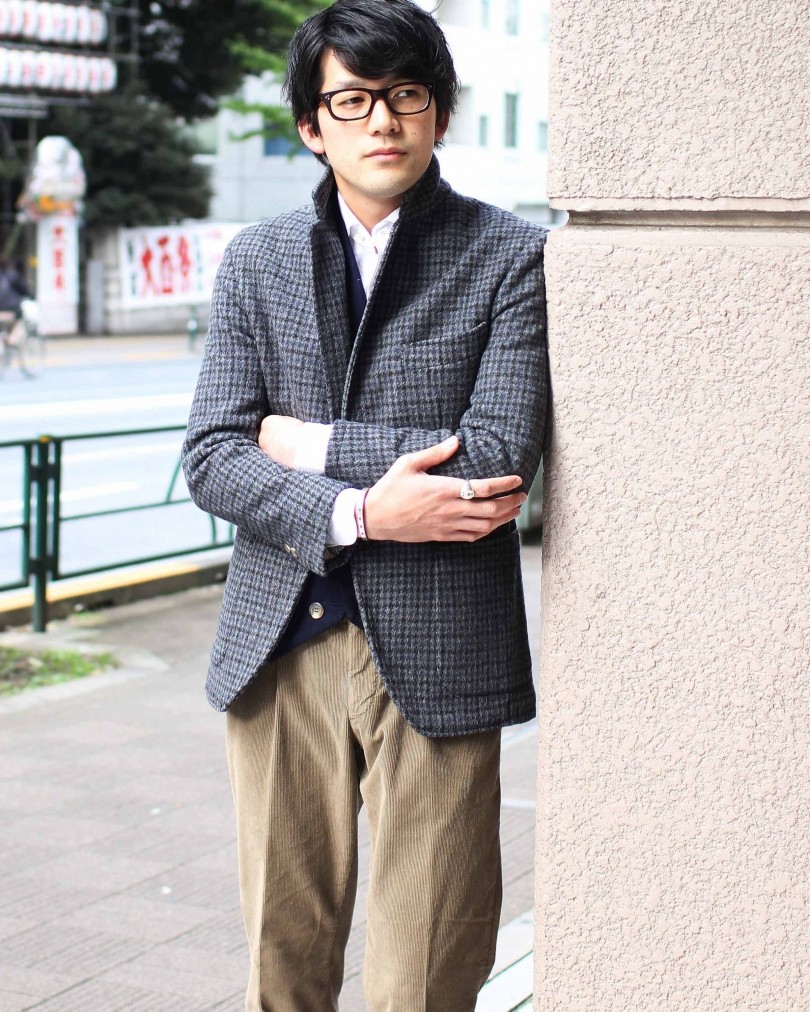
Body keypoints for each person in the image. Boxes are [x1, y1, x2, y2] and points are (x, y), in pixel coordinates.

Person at [182, 1, 548, 1008]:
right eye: (352, 101)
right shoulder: (258, 259)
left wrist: (307, 445)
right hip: (279, 642)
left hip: (442, 646)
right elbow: (213, 455)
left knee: (428, 964)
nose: (382, 120)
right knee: (283, 956)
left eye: (406, 96)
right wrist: (363, 513)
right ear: (313, 125)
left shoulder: (510, 256)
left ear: (439, 113)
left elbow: (495, 459)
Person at [0, 255, 31, 347]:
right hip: (12, 310)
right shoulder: (13, 275)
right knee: (20, 322)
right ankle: (11, 341)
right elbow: (25, 291)